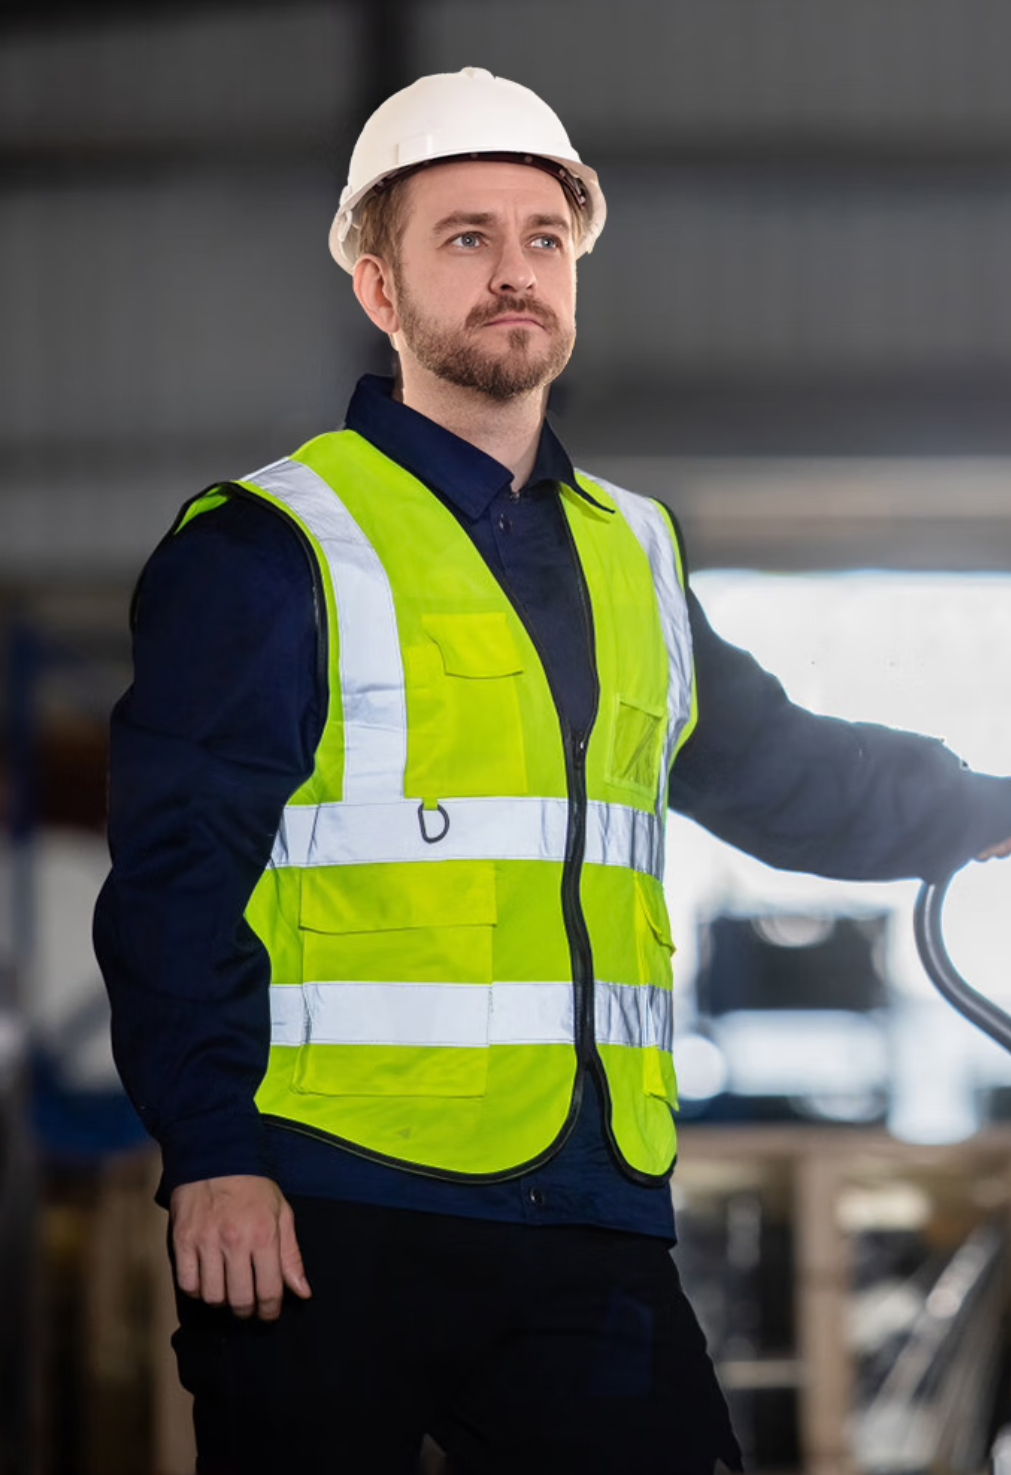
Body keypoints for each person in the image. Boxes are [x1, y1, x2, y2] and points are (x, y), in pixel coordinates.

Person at [94, 67, 1011, 1475]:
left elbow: (781, 774)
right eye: (465, 238)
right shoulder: (273, 547)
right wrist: (212, 1153)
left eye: (544, 238)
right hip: (330, 1202)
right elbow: (175, 876)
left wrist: (989, 808)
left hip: (588, 1207)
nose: (514, 272)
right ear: (380, 287)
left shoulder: (633, 549)